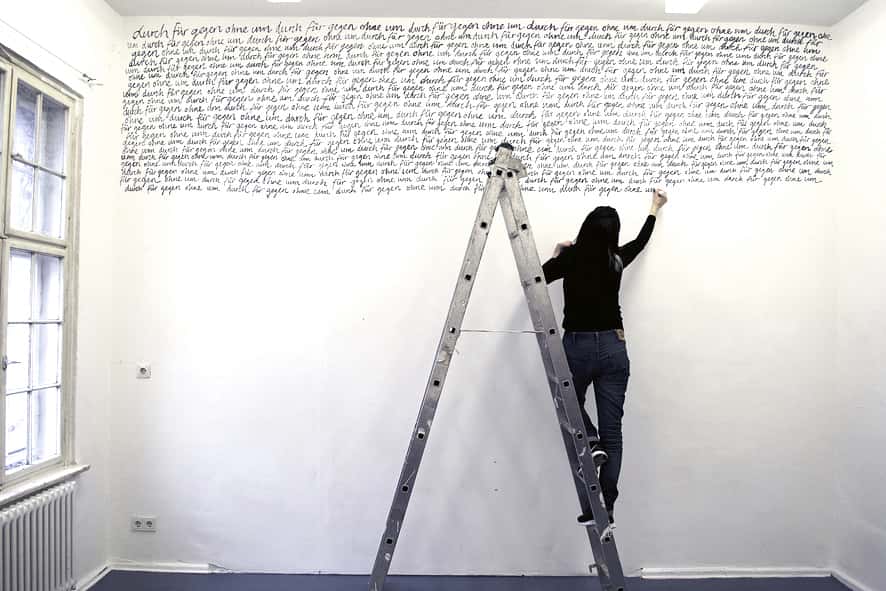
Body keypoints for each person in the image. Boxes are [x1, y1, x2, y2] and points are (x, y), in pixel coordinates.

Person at [542, 188, 668, 525]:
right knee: (614, 433)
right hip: (614, 346)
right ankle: (605, 507)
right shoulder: (616, 260)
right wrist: (654, 208)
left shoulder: (571, 259)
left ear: (585, 228)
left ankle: (590, 439)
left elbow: (537, 279)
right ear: (613, 234)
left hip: (578, 346)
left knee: (567, 402)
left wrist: (557, 252)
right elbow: (639, 242)